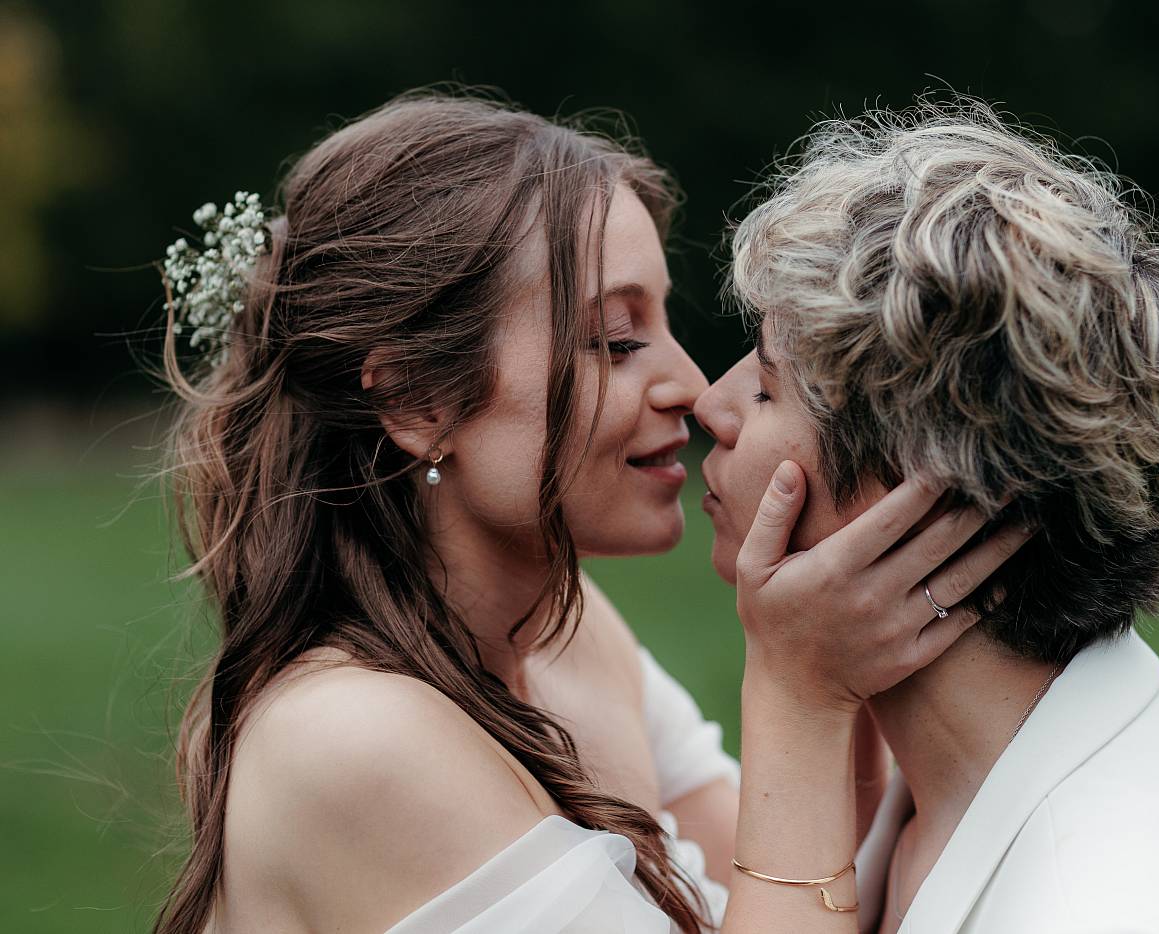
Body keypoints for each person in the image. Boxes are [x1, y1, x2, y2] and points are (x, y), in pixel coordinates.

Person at [150, 89, 1021, 933]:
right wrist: (801, 694)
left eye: (663, 325)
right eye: (618, 341)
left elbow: (805, 890)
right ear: (419, 400)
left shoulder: (570, 634)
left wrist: (853, 650)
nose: (691, 387)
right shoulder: (355, 739)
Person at [694, 98, 1159, 933]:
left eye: (768, 387)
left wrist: (793, 693)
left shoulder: (1103, 906)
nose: (711, 405)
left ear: (927, 489)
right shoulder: (951, 782)